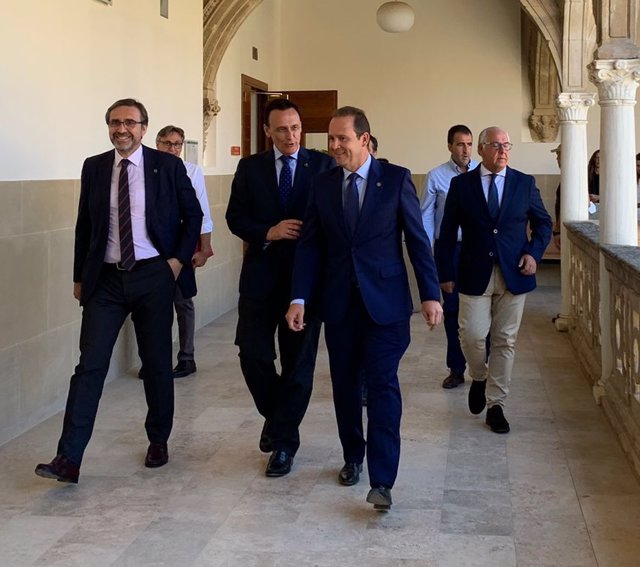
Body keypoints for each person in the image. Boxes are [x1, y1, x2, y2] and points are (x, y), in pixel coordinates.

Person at [35, 98, 203, 483]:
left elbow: (192, 215)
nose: (121, 129)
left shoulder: (168, 166)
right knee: (89, 366)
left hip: (152, 276)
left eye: (129, 122)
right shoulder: (95, 167)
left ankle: (158, 439)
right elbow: (85, 225)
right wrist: (80, 277)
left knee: (157, 362)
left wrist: (175, 263)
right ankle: (68, 458)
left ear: (144, 128)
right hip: (106, 281)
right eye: (114, 122)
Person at [285, 106, 443, 510]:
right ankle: (352, 455)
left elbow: (416, 239)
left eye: (342, 139)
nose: (334, 146)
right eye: (331, 139)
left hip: (386, 305)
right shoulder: (322, 185)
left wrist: (430, 293)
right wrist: (299, 296)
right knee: (344, 386)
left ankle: (383, 480)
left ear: (364, 140)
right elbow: (310, 245)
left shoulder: (395, 179)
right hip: (339, 305)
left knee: (383, 383)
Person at [225, 98, 334, 478]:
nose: (290, 136)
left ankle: (284, 444)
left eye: (295, 128)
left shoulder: (322, 165)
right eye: (282, 129)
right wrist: (267, 232)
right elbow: (234, 217)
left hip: (305, 284)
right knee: (251, 354)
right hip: (260, 279)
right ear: (268, 131)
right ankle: (278, 418)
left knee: (298, 366)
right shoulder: (250, 168)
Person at [436, 127, 551, 434]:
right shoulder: (462, 185)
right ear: (482, 150)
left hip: (515, 273)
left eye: (506, 145)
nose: (502, 150)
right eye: (496, 145)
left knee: (505, 341)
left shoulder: (524, 183)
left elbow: (543, 224)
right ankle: (479, 375)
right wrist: (444, 273)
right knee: (471, 335)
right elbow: (447, 232)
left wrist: (533, 254)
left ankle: (496, 405)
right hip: (474, 272)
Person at [151, 125, 214, 379]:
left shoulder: (192, 171)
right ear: (157, 144)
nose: (173, 149)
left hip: (182, 246)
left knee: (183, 302)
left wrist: (205, 247)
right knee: (152, 307)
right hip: (153, 249)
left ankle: (186, 358)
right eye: (167, 143)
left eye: (177, 144)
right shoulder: (148, 169)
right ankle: (155, 360)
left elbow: (202, 212)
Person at [420, 124, 478, 389]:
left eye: (468, 144)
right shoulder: (436, 176)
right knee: (452, 310)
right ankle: (456, 368)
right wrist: (428, 252)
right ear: (450, 146)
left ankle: (483, 367)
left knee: (481, 309)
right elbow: (427, 216)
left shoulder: (483, 173)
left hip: (477, 250)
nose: (465, 149)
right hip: (450, 249)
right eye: (460, 144)